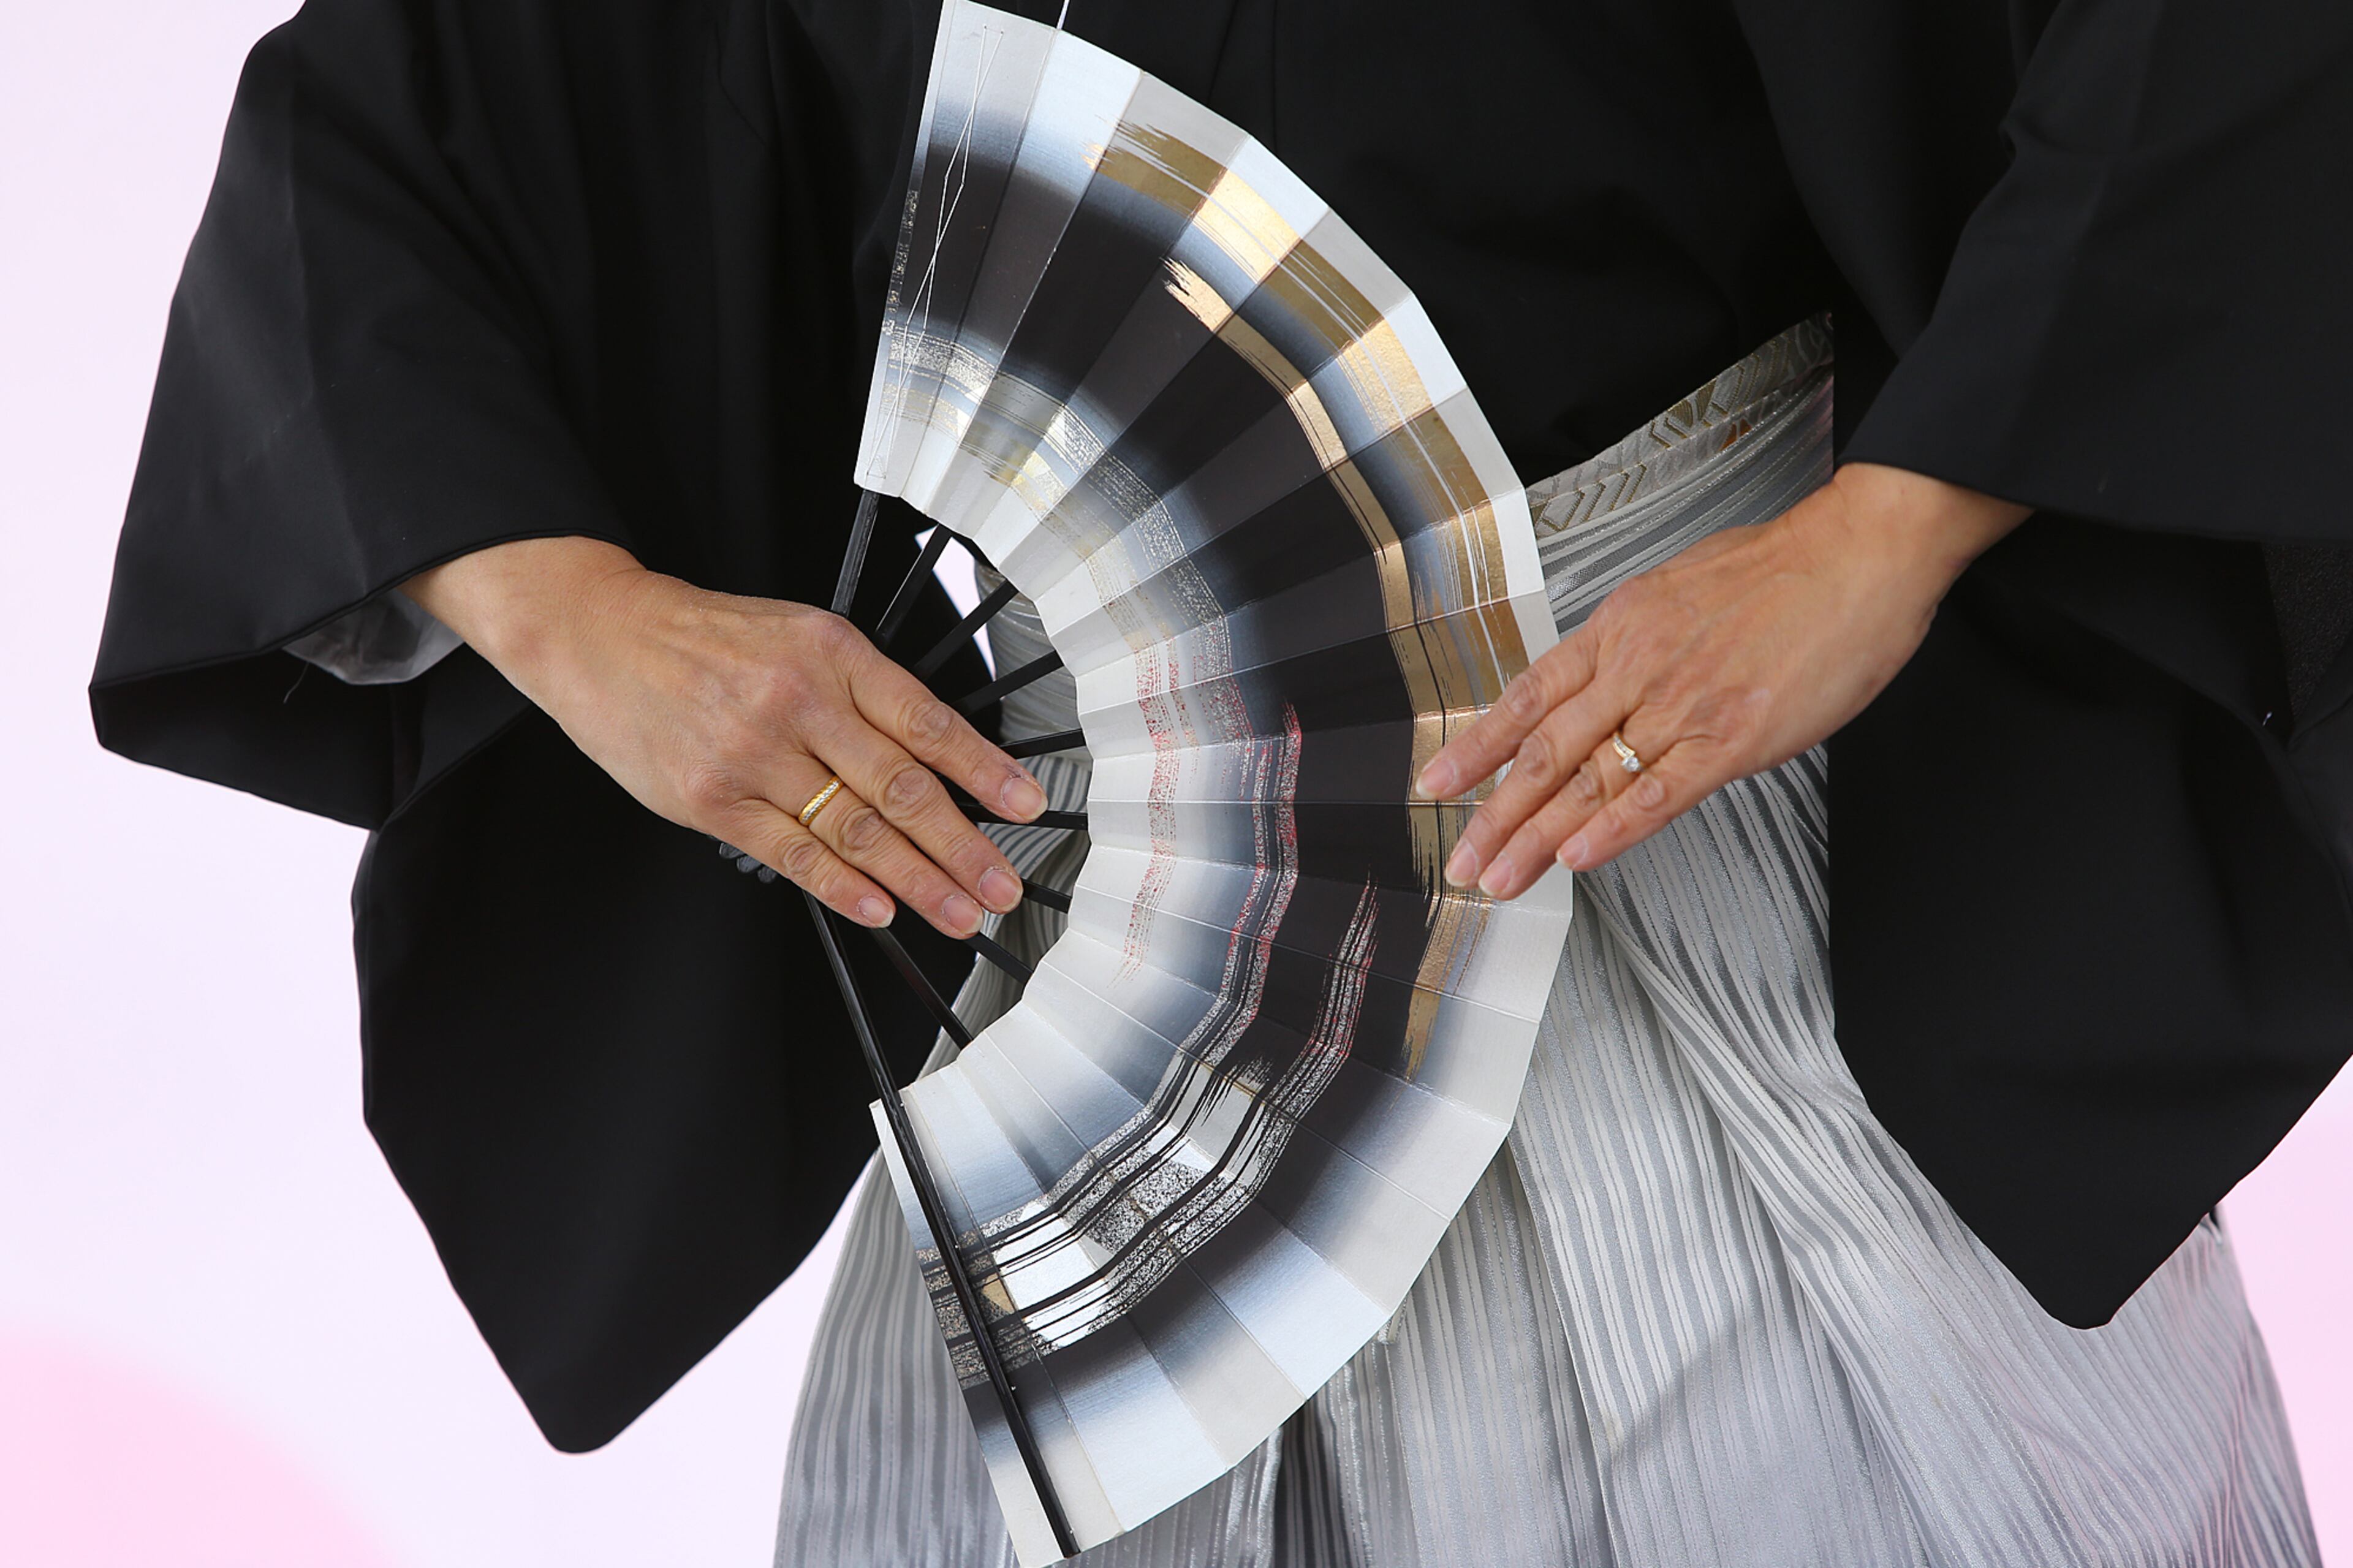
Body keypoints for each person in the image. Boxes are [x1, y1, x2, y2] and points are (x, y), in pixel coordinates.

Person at [91, 0, 2349, 1561]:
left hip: (1678, 817)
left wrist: (1892, 528)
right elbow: (393, 133)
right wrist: (584, 617)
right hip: (1083, 966)